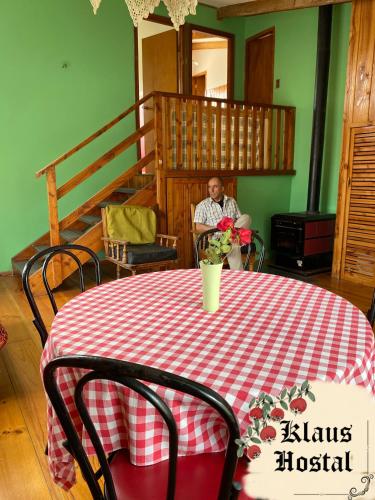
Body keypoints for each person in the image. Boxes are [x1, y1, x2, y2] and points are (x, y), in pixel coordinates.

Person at [194, 177, 251, 269]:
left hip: (233, 237)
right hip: (217, 239)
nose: (211, 190)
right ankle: (238, 277)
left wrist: (231, 231)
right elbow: (198, 226)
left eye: (215, 186)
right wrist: (218, 228)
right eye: (209, 187)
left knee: (246, 217)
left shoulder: (231, 201)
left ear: (222, 188)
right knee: (234, 245)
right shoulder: (202, 206)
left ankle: (229, 237)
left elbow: (241, 221)